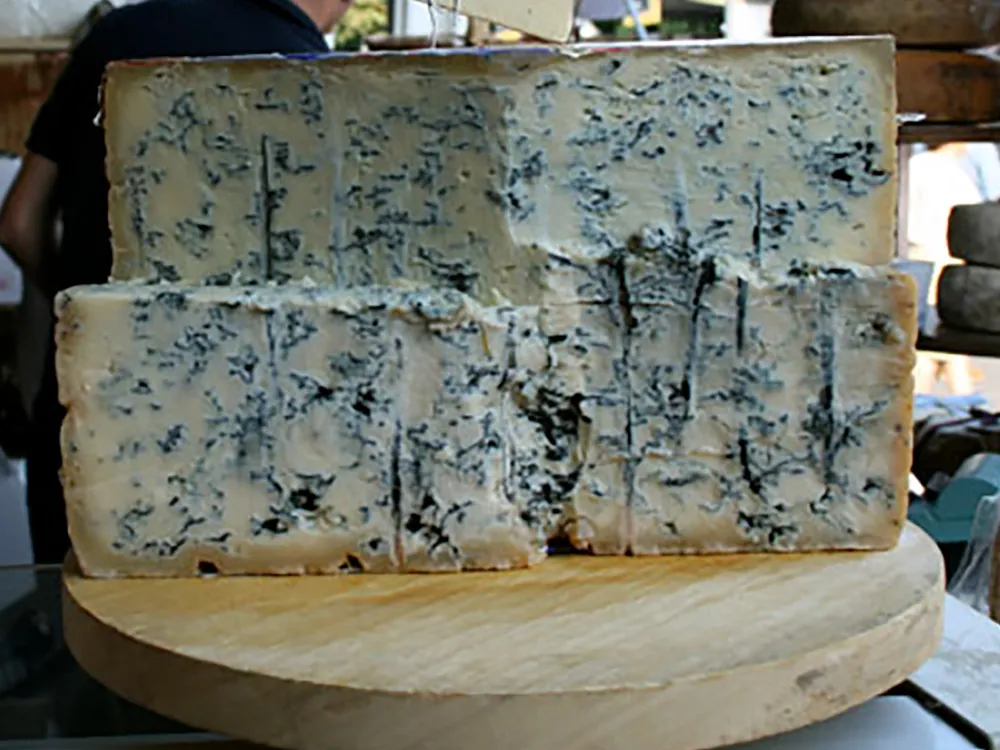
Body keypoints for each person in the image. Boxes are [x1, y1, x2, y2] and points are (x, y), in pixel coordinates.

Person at [0, 0, 354, 564]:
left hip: (83, 417)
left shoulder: (116, 31)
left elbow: (19, 221)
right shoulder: (313, 72)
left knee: (72, 630)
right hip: (240, 450)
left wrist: (78, 303)